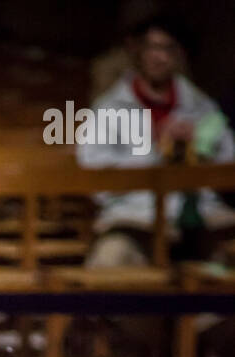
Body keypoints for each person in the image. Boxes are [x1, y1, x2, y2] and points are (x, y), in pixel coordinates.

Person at [77, 12, 235, 267]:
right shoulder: (109, 107)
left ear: (178, 54)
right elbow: (93, 173)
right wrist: (154, 148)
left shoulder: (201, 105)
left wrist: (202, 144)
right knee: (109, 260)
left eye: (167, 48)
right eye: (151, 48)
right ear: (138, 52)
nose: (158, 56)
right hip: (135, 216)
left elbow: (230, 161)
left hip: (202, 216)